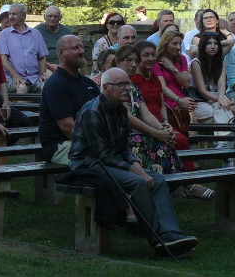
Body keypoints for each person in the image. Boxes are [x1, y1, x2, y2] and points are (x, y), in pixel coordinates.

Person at [69, 68, 199, 258]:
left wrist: (140, 170)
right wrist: (140, 174)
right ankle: (157, 239)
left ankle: (171, 232)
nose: (127, 88)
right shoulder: (92, 112)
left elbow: (123, 148)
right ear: (105, 87)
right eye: (121, 84)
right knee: (138, 182)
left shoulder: (121, 110)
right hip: (88, 164)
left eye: (128, 84)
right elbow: (102, 155)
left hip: (112, 160)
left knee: (158, 179)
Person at [114, 45, 187, 178]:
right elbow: (128, 117)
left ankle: (175, 182)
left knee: (167, 140)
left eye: (136, 61)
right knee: (154, 143)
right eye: (129, 60)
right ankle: (168, 183)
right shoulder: (115, 85)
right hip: (120, 136)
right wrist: (157, 133)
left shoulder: (133, 87)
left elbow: (146, 114)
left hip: (137, 133)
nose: (133, 64)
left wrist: (163, 131)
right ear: (118, 62)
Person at [39, 35, 100, 164]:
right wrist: (98, 144)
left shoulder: (88, 83)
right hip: (61, 145)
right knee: (101, 159)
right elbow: (67, 127)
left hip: (88, 140)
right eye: (75, 48)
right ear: (61, 53)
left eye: (81, 47)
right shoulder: (56, 84)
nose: (81, 51)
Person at [153, 27, 196, 135]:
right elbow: (162, 87)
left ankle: (193, 147)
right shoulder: (156, 61)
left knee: (191, 115)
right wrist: (179, 101)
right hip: (167, 101)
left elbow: (186, 84)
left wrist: (172, 68)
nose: (178, 47)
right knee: (188, 116)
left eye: (180, 43)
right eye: (174, 44)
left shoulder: (182, 59)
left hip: (182, 99)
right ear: (165, 44)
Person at [0, 3, 48, 93]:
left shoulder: (35, 33)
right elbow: (3, 59)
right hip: (12, 78)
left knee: (48, 87)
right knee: (21, 88)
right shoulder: (4, 34)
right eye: (10, 14)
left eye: (14, 14)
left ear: (23, 16)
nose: (11, 17)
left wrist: (42, 73)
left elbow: (42, 57)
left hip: (34, 78)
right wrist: (15, 75)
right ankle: (21, 107)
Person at [189, 32, 235, 125]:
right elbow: (202, 91)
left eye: (215, 43)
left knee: (226, 109)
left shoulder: (221, 63)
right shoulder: (196, 63)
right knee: (213, 112)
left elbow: (221, 84)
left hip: (215, 96)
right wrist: (221, 99)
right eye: (208, 43)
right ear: (203, 46)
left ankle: (221, 139)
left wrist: (222, 98)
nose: (212, 46)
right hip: (199, 98)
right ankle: (225, 138)